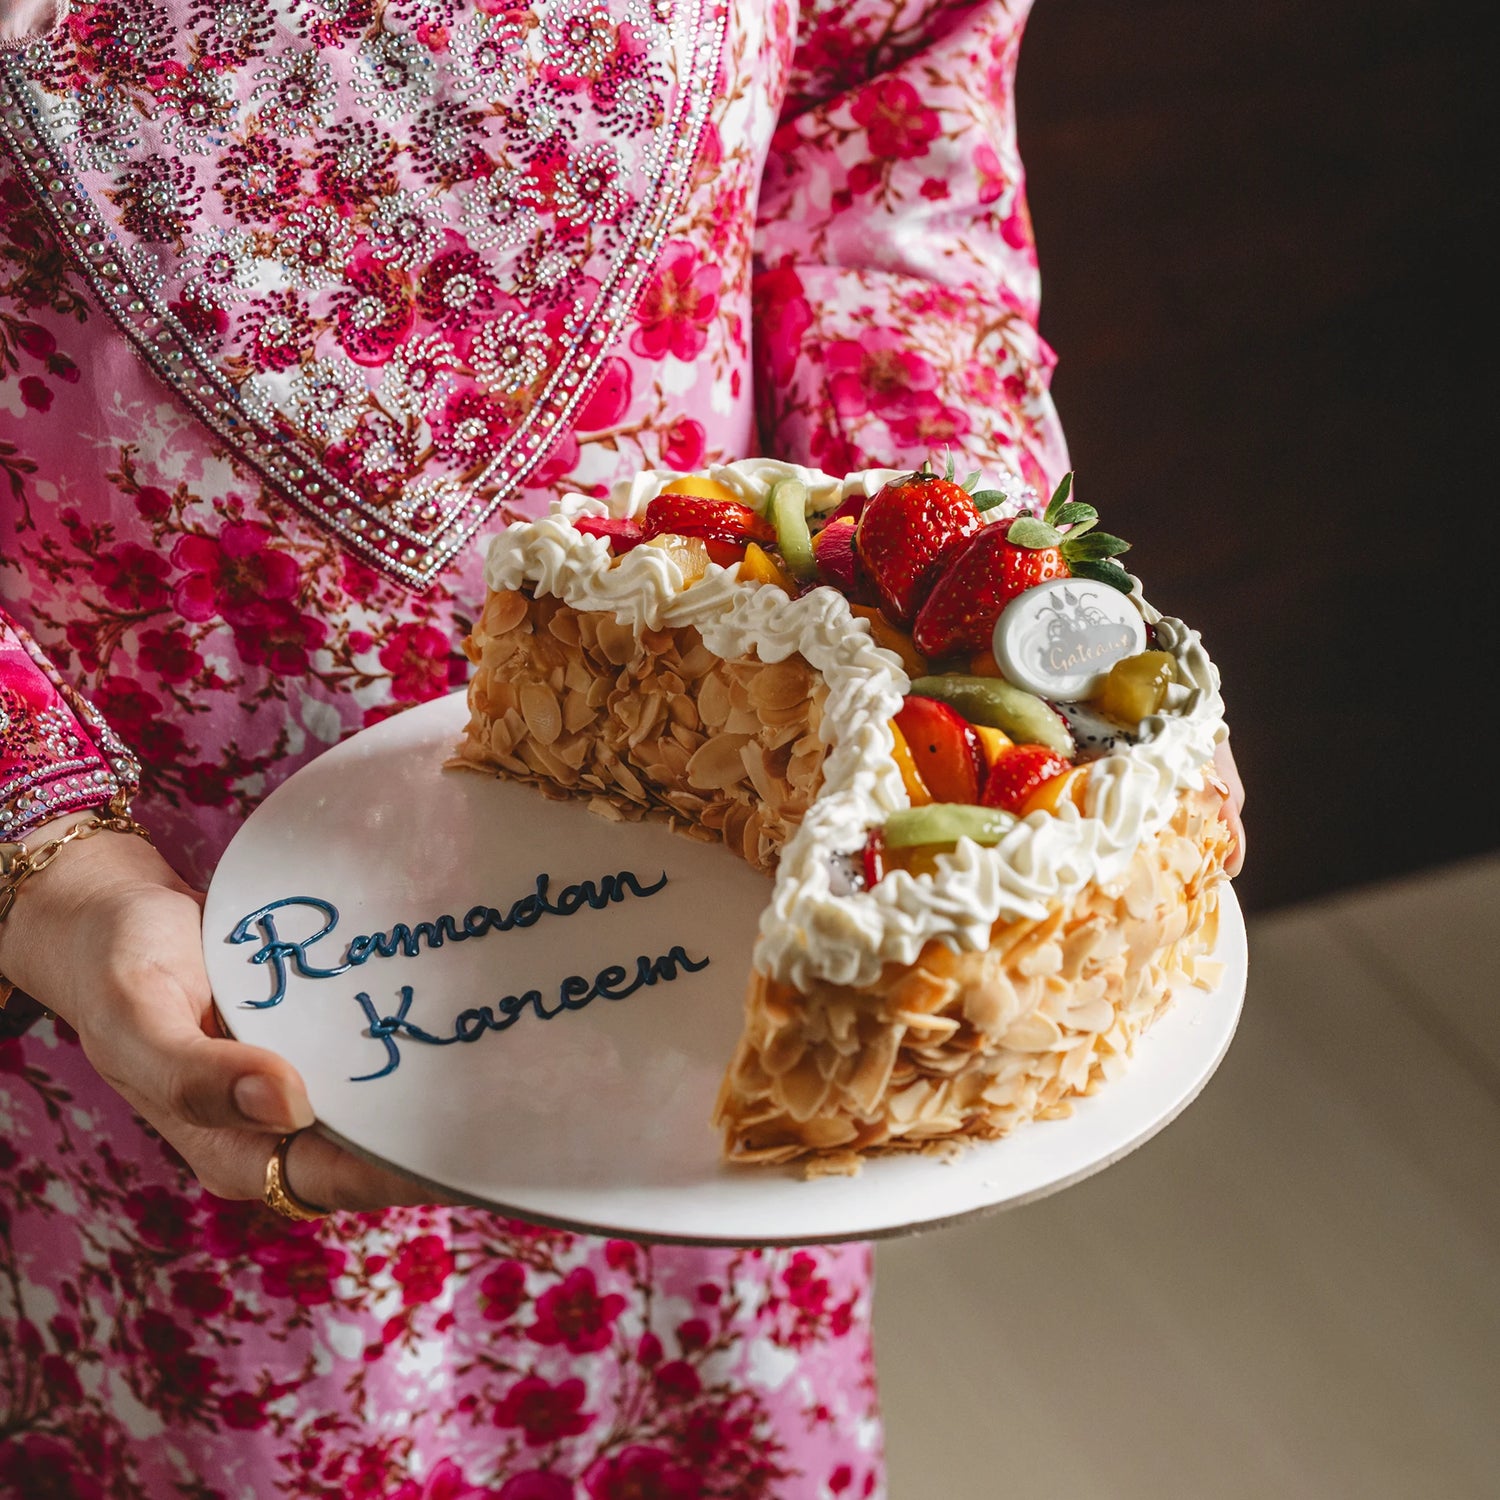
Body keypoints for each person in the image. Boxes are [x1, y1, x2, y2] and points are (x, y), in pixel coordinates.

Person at [0, 0, 1244, 1493]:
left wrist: (974, 616)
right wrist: (53, 868)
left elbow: (881, 86)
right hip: (147, 938)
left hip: (751, 894)